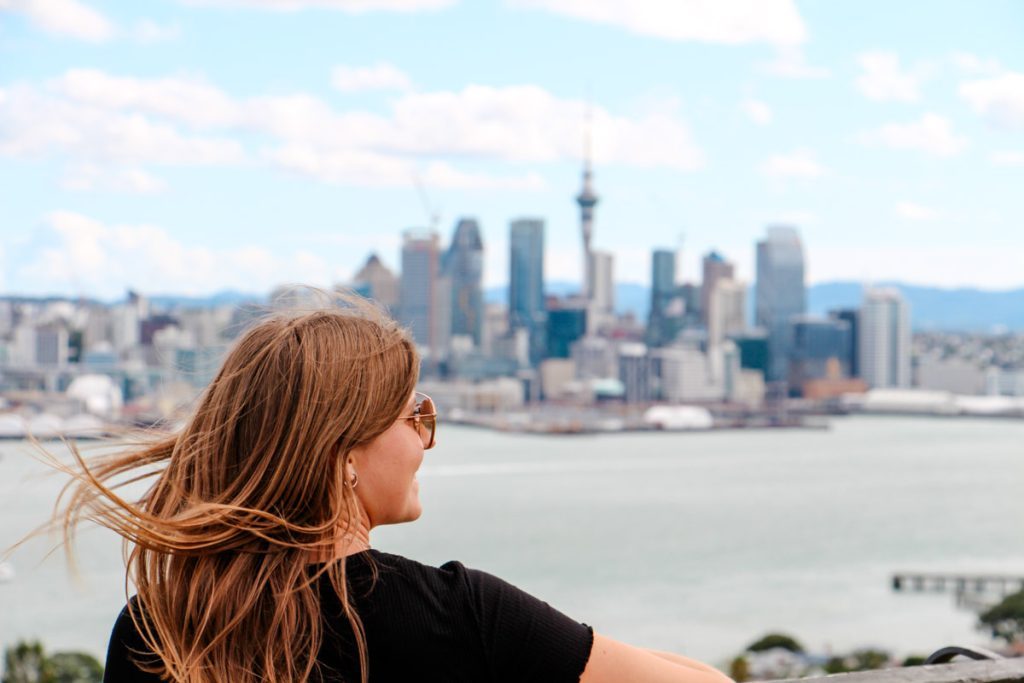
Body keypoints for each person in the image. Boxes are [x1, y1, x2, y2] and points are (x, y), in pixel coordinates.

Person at [55, 295, 732, 682]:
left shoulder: (157, 626)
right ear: (344, 451)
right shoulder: (458, 614)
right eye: (416, 416)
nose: (425, 440)